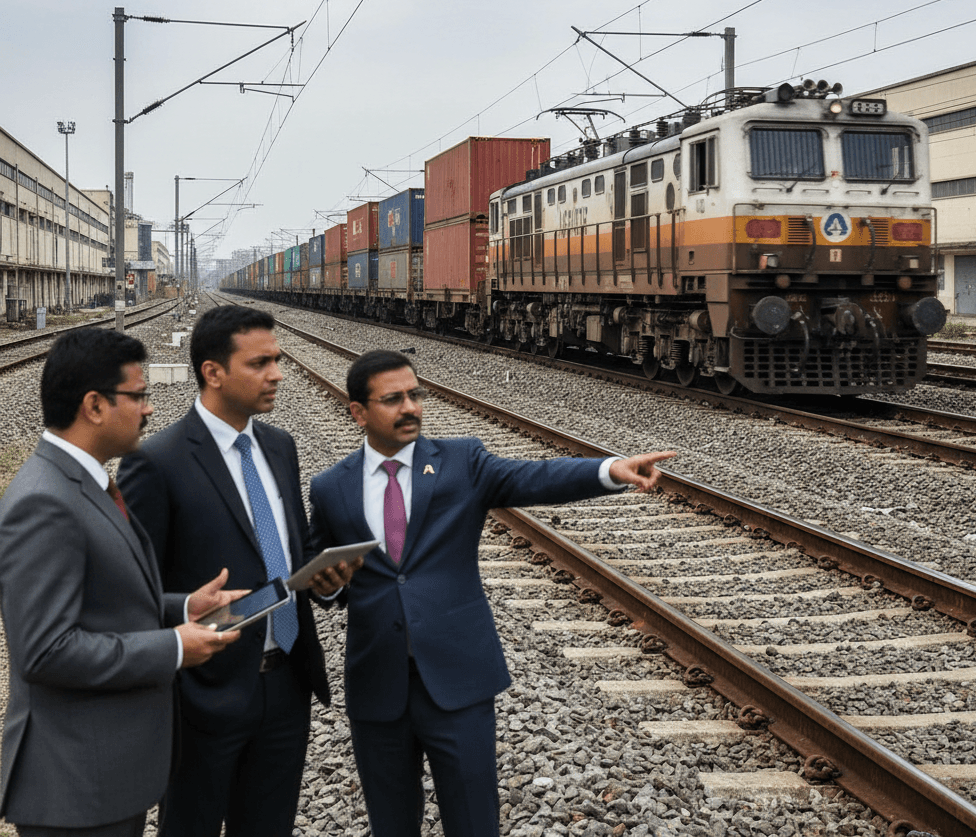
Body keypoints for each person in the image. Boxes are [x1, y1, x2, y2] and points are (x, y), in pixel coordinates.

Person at [307, 349, 675, 837]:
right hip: (377, 684)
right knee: (390, 824)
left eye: (415, 394)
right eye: (393, 399)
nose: (411, 407)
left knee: (474, 821)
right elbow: (321, 577)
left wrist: (609, 471)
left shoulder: (462, 461)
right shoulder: (331, 487)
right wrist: (328, 590)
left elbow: (534, 476)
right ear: (358, 412)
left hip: (458, 680)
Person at [117, 305, 359, 837]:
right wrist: (187, 614)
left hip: (287, 687)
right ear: (213, 372)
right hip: (204, 693)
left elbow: (289, 552)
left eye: (277, 360)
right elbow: (128, 593)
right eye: (260, 363)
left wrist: (324, 584)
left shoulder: (280, 447)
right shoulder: (156, 461)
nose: (277, 373)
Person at [0, 328, 243, 837]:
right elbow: (44, 651)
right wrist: (173, 647)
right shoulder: (43, 502)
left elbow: (102, 599)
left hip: (101, 777)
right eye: (139, 395)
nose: (150, 409)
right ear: (94, 405)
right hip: (72, 789)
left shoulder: (88, 479)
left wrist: (182, 608)